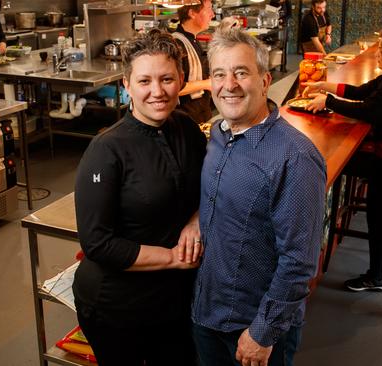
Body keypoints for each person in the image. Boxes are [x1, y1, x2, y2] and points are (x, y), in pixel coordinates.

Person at [192, 29, 327, 366]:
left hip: (253, 329)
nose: (229, 84)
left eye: (241, 72)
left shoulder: (294, 157)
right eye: (219, 74)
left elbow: (299, 261)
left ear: (265, 81)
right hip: (206, 312)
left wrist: (262, 332)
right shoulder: (218, 136)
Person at [73, 29, 207, 366]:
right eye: (145, 81)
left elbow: (212, 187)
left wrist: (196, 220)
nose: (157, 92)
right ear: (126, 85)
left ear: (181, 80)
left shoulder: (188, 129)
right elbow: (97, 243)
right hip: (118, 307)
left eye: (167, 79)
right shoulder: (105, 151)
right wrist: (174, 258)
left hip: (176, 300)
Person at [303, 27, 382, 315]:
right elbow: (360, 92)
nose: (379, 53)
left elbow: (369, 110)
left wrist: (329, 103)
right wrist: (324, 86)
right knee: (376, 221)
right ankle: (375, 276)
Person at [173, 0, 215, 123]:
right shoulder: (177, 43)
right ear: (192, 13)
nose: (212, 14)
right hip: (185, 120)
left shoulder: (193, 40)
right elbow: (174, 88)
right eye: (209, 9)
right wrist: (207, 84)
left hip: (201, 116)